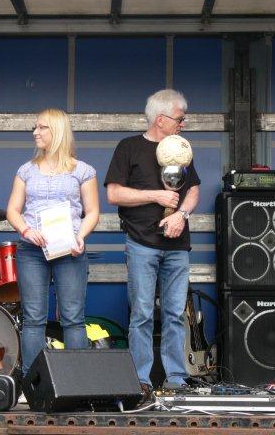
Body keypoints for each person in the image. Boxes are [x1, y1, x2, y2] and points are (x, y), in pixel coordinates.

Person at [104, 89, 200, 396]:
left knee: (175, 314)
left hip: (177, 245)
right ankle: (140, 381)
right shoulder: (129, 147)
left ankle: (176, 379)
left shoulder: (181, 149)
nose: (183, 124)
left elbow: (193, 190)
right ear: (160, 119)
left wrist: (181, 215)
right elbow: (114, 194)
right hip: (141, 243)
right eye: (179, 118)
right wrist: (155, 195)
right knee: (142, 314)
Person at [6, 108, 100, 376]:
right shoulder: (26, 170)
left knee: (73, 318)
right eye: (34, 127)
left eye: (41, 127)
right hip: (31, 251)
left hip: (69, 250)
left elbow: (92, 212)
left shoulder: (83, 170)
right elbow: (13, 210)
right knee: (33, 318)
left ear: (57, 131)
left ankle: (76, 382)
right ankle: (32, 383)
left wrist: (80, 237)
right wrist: (26, 230)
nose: (35, 132)